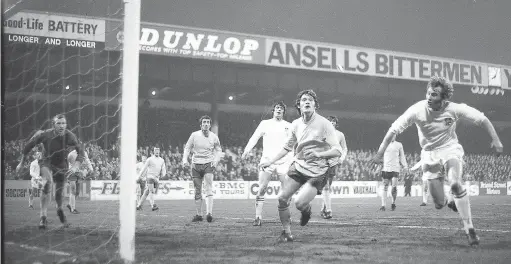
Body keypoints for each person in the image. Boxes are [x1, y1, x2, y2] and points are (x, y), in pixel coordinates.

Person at [371, 76, 503, 246]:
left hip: (450, 149)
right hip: (429, 154)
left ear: (444, 98)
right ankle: (450, 199)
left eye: (434, 95)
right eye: (428, 93)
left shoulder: (454, 109)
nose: (429, 97)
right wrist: (380, 153)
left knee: (455, 183)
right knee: (439, 204)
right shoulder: (417, 109)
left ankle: (469, 229)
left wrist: (496, 140)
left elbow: (482, 119)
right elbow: (393, 130)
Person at [260, 90, 345, 242]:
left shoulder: (324, 124)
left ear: (315, 105)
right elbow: (287, 147)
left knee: (299, 203)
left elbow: (338, 150)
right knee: (282, 198)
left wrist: (319, 155)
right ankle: (287, 233)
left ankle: (306, 210)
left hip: (318, 172)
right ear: (298, 105)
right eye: (304, 100)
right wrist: (270, 161)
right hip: (299, 166)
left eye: (310, 100)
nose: (307, 102)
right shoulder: (295, 125)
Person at [16, 114, 85, 229]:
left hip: (61, 164)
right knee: (48, 182)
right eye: (58, 123)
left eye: (64, 123)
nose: (61, 126)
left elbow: (81, 152)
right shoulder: (44, 134)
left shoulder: (70, 136)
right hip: (46, 162)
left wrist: (75, 166)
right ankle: (43, 217)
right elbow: (28, 146)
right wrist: (21, 163)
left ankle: (59, 209)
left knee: (59, 192)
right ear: (53, 125)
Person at [241, 102, 293, 226]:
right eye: (277, 108)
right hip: (267, 161)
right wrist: (246, 150)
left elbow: (292, 145)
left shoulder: (289, 126)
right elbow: (254, 137)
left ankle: (285, 215)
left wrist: (293, 160)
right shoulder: (265, 124)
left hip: (283, 162)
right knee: (262, 188)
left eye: (281, 108)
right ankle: (258, 217)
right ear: (273, 110)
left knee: (287, 192)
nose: (279, 110)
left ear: (283, 112)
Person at [183, 115, 222, 223]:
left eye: (208, 122)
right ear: (200, 125)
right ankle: (199, 215)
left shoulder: (214, 137)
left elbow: (219, 150)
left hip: (208, 164)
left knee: (208, 188)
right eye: (204, 122)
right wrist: (184, 160)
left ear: (210, 125)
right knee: (197, 190)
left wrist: (216, 160)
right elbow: (187, 148)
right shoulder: (194, 135)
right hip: (195, 164)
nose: (206, 124)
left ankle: (209, 213)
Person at [320, 116, 347, 219]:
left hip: (334, 163)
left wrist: (341, 159)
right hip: (323, 163)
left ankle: (324, 208)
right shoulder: (322, 134)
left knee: (328, 187)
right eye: (330, 121)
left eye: (333, 121)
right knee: (326, 186)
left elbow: (344, 148)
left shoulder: (340, 135)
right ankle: (329, 210)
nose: (332, 123)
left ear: (336, 123)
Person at [379, 135, 408, 211]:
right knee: (385, 187)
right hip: (386, 168)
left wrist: (405, 166)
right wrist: (378, 164)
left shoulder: (399, 144)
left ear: (395, 136)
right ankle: (383, 205)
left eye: (394, 135)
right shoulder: (384, 144)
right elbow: (380, 154)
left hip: (395, 169)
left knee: (394, 188)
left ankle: (393, 203)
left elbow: (402, 156)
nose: (392, 136)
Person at [66, 148, 93, 214]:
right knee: (73, 190)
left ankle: (70, 205)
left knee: (77, 192)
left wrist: (91, 168)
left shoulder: (84, 152)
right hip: (72, 172)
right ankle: (73, 209)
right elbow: (70, 165)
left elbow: (87, 160)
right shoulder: (71, 154)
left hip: (78, 172)